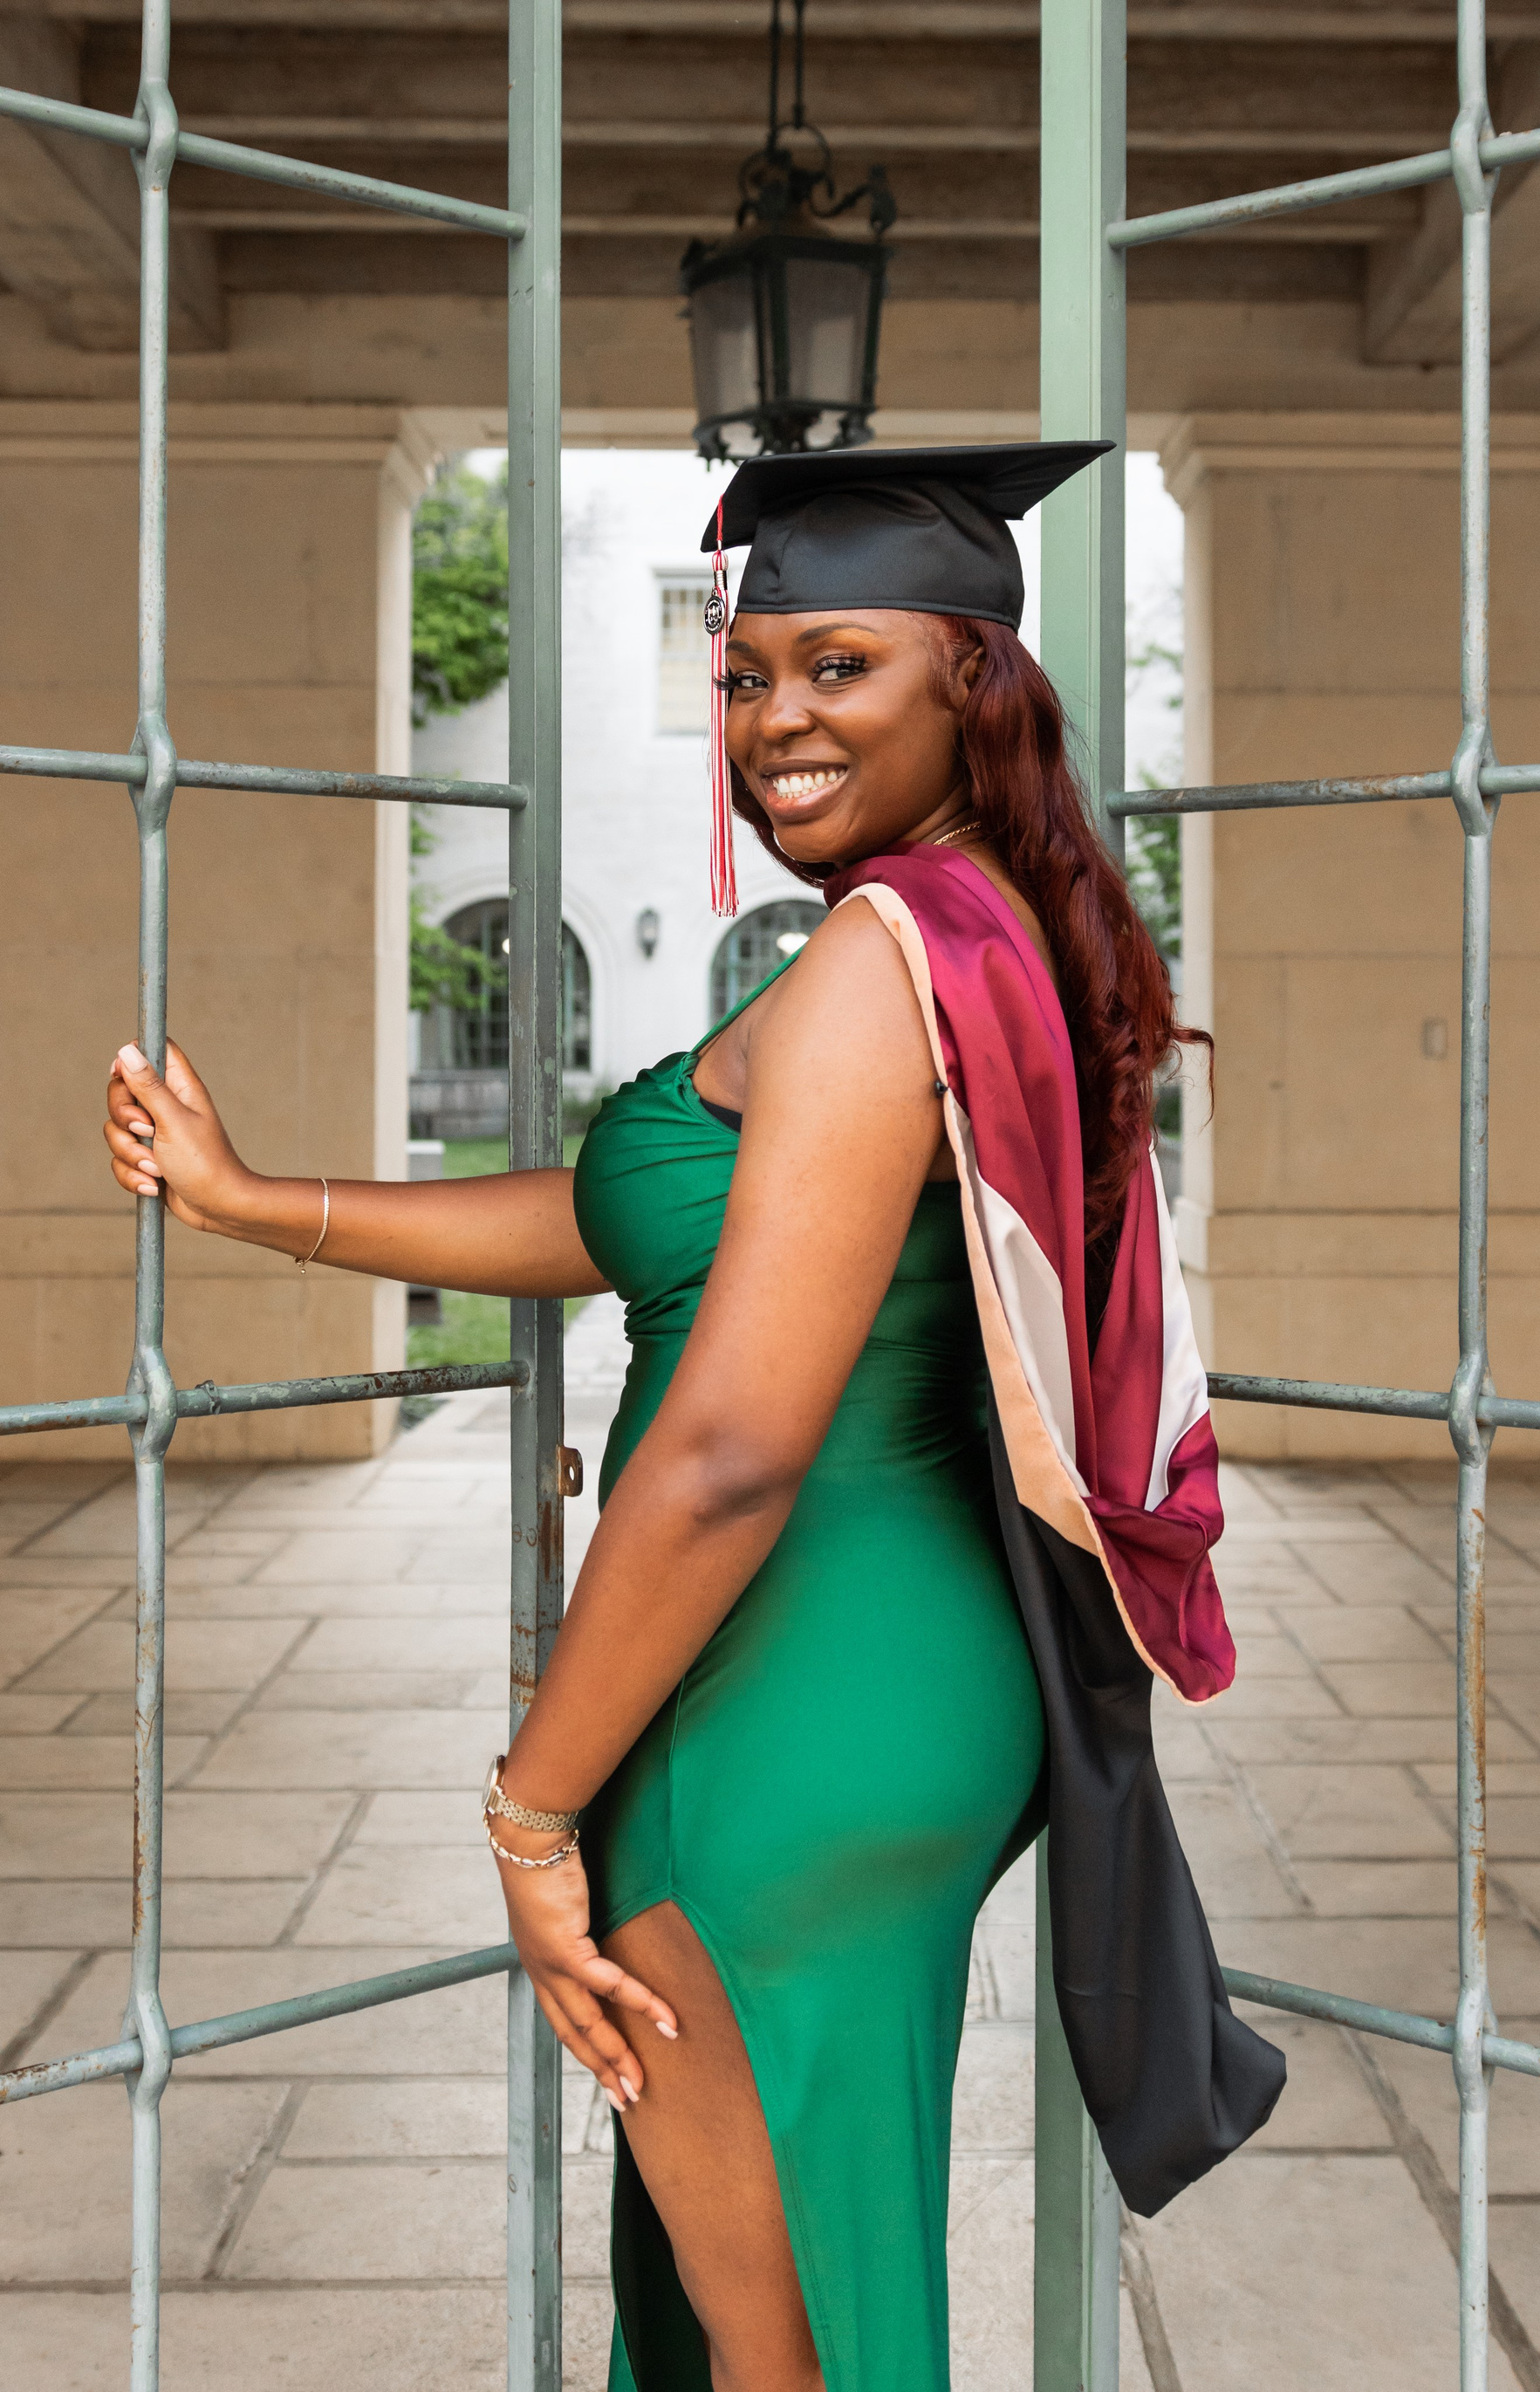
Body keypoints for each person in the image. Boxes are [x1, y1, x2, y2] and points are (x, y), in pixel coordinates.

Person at [102, 443, 1282, 2392]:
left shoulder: (873, 971)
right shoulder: (971, 929)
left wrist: (530, 1807)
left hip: (782, 1700)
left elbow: (731, 1453)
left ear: (971, 683)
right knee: (801, 2295)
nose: (774, 719)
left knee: (778, 2346)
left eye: (839, 665)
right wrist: (260, 1203)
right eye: (745, 676)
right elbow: (635, 1220)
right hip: (883, 1676)